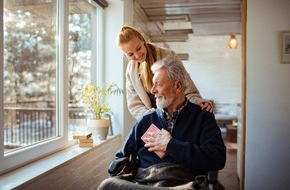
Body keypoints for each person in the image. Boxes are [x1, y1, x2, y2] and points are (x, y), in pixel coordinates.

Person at [98, 57, 226, 189]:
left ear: (177, 86)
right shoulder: (146, 120)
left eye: (158, 84)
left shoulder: (203, 117)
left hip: (183, 184)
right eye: (153, 84)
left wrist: (170, 145)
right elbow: (121, 157)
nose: (152, 90)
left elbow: (217, 158)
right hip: (145, 184)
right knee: (107, 185)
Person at [116, 25, 213, 119]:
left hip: (177, 116)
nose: (137, 55)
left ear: (142, 40)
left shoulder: (168, 56)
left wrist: (198, 101)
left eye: (138, 48)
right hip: (152, 120)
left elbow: (186, 87)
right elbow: (135, 104)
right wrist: (150, 117)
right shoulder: (131, 71)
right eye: (131, 54)